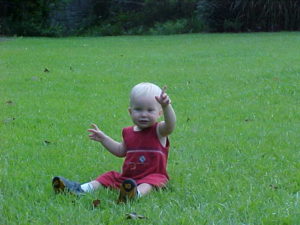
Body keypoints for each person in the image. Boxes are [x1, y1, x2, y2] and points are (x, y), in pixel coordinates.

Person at [52, 82, 176, 203]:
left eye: (150, 110)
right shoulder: (128, 132)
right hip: (129, 177)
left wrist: (166, 106)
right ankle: (80, 189)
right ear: (130, 111)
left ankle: (134, 194)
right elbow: (120, 151)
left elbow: (171, 125)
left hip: (153, 175)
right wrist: (104, 139)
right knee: (109, 176)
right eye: (138, 110)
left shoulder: (159, 130)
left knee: (148, 183)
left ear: (159, 113)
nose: (144, 114)